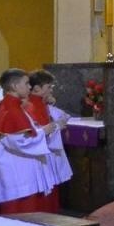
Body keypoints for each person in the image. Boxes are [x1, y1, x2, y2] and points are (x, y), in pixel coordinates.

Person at [0, 68, 58, 215]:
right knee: (20, 214)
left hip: (18, 167)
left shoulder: (13, 106)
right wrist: (44, 132)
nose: (30, 87)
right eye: (26, 83)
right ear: (15, 86)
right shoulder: (11, 109)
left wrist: (40, 131)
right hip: (17, 172)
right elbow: (19, 142)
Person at [26, 70, 74, 205]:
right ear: (36, 89)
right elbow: (40, 131)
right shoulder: (33, 105)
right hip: (41, 157)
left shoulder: (41, 103)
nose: (52, 90)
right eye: (49, 87)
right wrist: (57, 125)